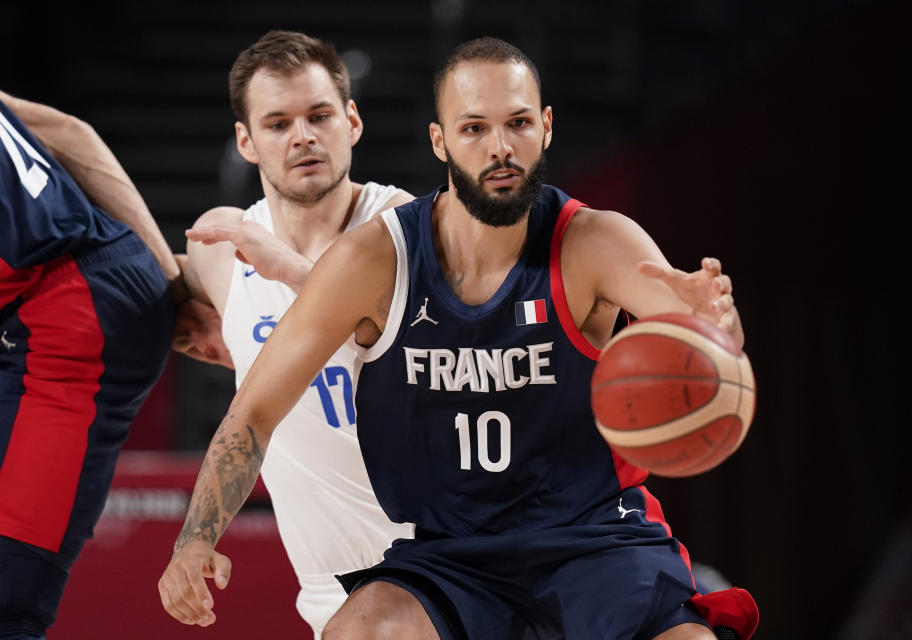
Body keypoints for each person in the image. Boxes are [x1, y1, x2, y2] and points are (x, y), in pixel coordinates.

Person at [158, 37, 759, 640]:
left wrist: (717, 327)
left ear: (545, 127)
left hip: (595, 539)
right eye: (474, 128)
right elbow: (252, 413)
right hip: (453, 554)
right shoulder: (376, 257)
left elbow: (708, 350)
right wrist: (194, 540)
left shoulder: (597, 243)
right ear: (440, 140)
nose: (500, 148)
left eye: (518, 123)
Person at [165, 30, 414, 636]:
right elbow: (157, 296)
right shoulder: (223, 244)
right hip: (329, 584)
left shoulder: (402, 224)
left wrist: (292, 271)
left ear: (351, 121)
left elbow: (431, 344)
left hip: (442, 554)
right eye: (277, 123)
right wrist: (224, 348)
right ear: (246, 141)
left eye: (319, 115)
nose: (302, 135)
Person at [0, 90, 182, 639]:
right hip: (66, 288)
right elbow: (66, 130)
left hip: (69, 313)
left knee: (7, 602)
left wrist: (169, 290)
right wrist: (165, 279)